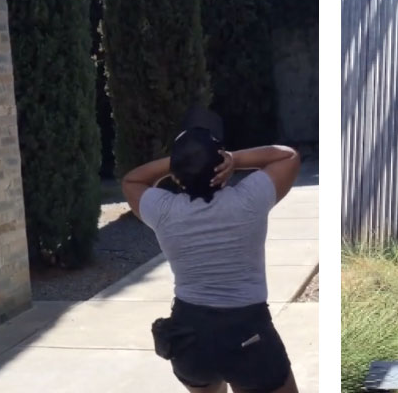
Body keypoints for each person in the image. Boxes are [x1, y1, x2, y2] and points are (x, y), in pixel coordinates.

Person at [125, 109, 304, 393]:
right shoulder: (249, 200)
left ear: (178, 176)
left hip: (189, 337)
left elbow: (132, 180)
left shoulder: (164, 211)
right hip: (248, 334)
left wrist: (179, 163)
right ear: (221, 165)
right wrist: (235, 159)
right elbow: (287, 155)